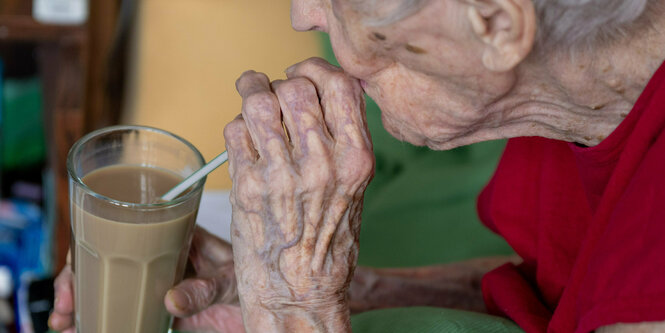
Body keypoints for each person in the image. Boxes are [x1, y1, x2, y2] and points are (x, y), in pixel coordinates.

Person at [50, 0, 665, 332]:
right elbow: (561, 294)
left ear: (499, 24)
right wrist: (288, 286)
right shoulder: (582, 107)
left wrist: (296, 304)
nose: (303, 15)